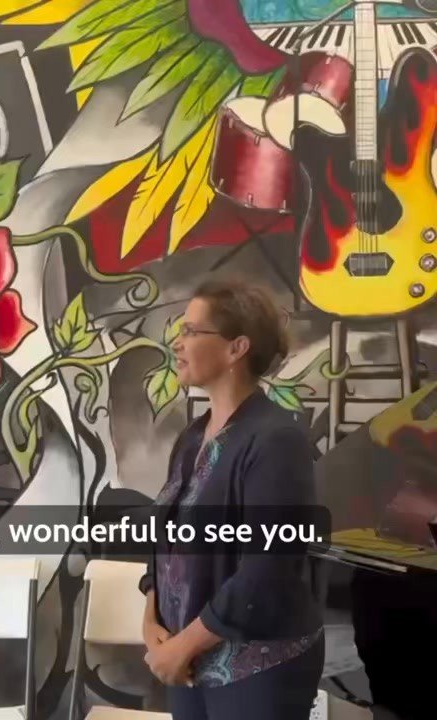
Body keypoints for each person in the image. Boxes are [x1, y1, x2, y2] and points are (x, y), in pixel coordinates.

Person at [139, 278, 324, 720]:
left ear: (236, 348)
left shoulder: (276, 441)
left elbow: (269, 568)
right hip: (189, 661)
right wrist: (152, 622)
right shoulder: (191, 436)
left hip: (257, 671)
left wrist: (183, 645)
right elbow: (166, 541)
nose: (177, 343)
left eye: (190, 331)